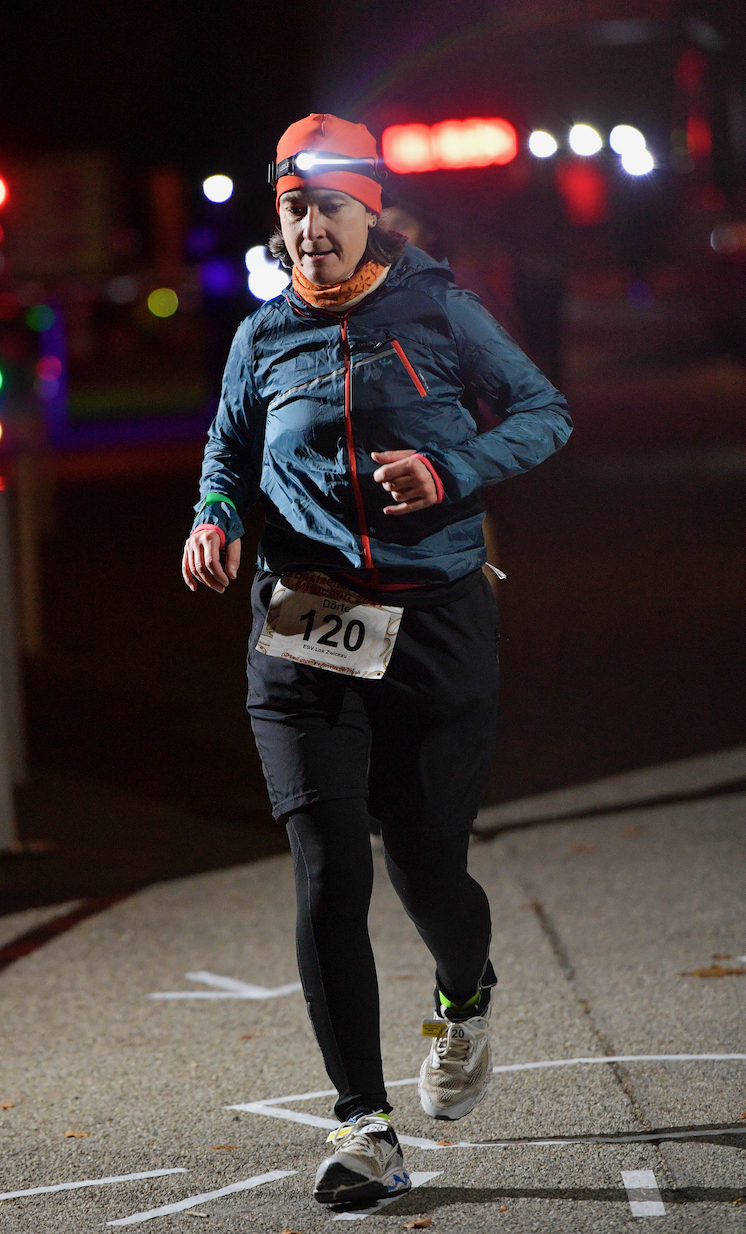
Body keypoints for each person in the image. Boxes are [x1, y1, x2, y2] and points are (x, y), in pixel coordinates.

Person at [182, 113, 572, 1208]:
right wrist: (212, 515)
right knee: (326, 867)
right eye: (293, 211)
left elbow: (544, 412)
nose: (310, 232)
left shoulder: (438, 309)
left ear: (371, 214)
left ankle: (463, 991)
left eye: (329, 211)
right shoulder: (260, 335)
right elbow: (226, 443)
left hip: (434, 623)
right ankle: (363, 1123)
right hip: (304, 625)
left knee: (425, 867)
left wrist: (447, 467)